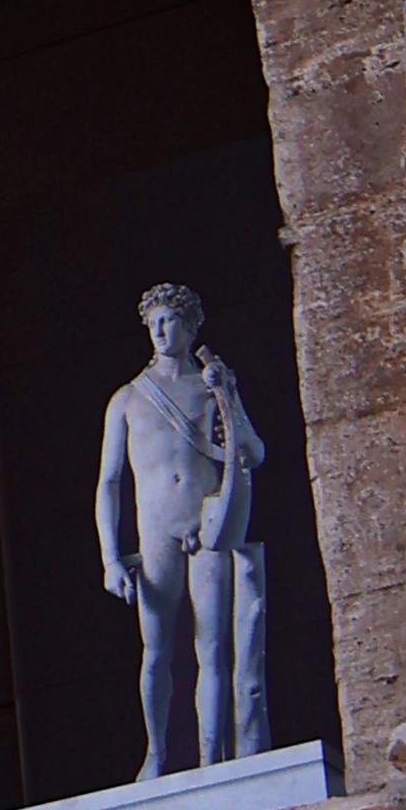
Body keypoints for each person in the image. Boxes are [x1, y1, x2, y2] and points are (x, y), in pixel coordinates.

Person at [93, 277, 268, 776]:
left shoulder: (212, 386)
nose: (162, 331)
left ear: (192, 327)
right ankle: (157, 751)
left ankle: (210, 757)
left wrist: (227, 397)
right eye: (155, 323)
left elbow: (254, 452)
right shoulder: (127, 398)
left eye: (171, 321)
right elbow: (109, 483)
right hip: (157, 534)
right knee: (156, 651)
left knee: (211, 649)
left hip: (206, 526)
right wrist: (110, 557)